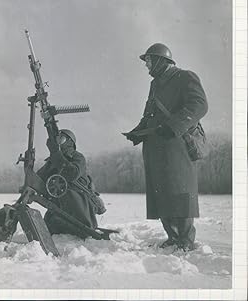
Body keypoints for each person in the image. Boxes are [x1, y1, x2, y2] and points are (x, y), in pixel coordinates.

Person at [123, 43, 208, 251]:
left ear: (161, 60)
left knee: (180, 192)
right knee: (162, 193)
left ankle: (185, 241)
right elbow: (149, 114)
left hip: (176, 145)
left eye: (149, 61)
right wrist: (137, 131)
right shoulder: (155, 84)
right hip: (156, 147)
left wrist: (172, 127)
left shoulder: (185, 76)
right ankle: (173, 237)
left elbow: (199, 105)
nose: (147, 66)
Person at [36, 129, 105, 237]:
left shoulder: (77, 157)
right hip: (59, 204)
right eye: (56, 140)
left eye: (61, 139)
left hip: (78, 202)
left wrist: (55, 154)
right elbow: (38, 178)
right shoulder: (52, 160)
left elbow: (71, 174)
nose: (58, 142)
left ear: (70, 142)